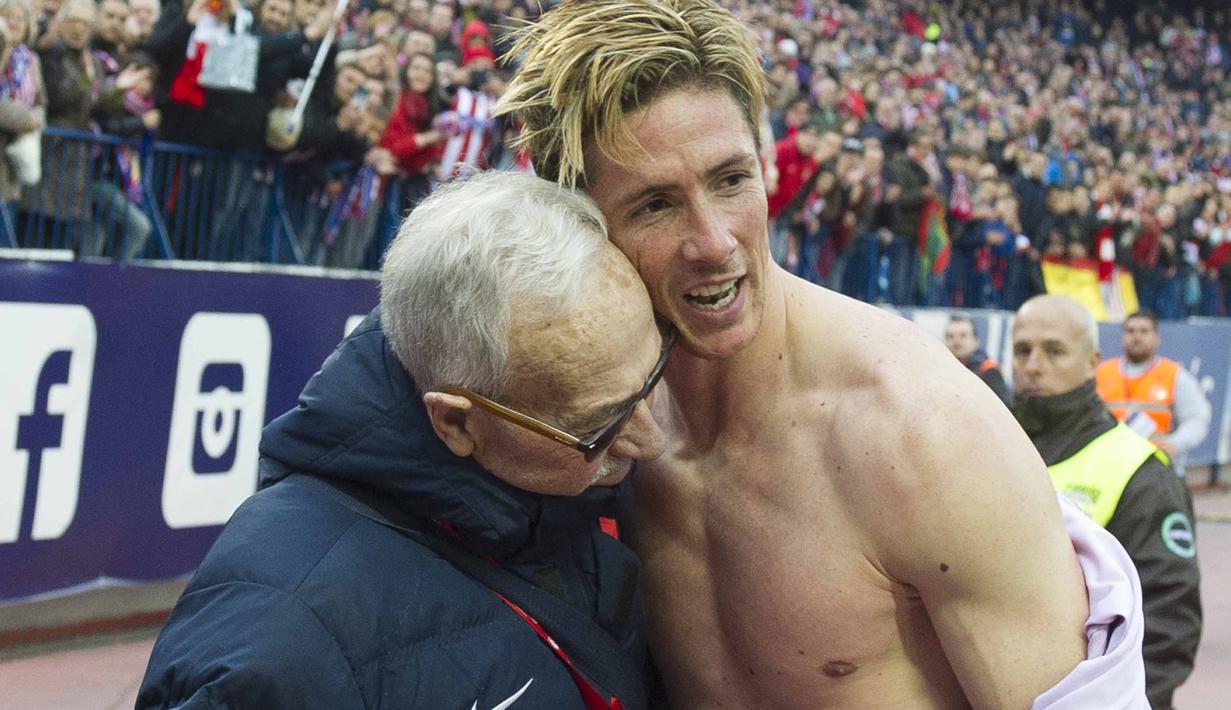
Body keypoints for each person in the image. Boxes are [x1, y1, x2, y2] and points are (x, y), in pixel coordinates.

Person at [497, 1, 1145, 707]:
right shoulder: (596, 429)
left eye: (730, 180)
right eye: (655, 204)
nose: (713, 241)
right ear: (582, 220)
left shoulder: (921, 434)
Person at [137, 171, 669, 708]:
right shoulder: (279, 654)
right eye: (599, 426)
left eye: (652, 377)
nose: (651, 441)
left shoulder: (572, 498)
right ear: (456, 423)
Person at [1011, 295, 1202, 710]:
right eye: (1022, 350)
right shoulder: (985, 447)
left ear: (1091, 360)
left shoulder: (1140, 470)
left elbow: (1169, 618)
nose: (1033, 365)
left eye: (1054, 350)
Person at [1096, 311, 1212, 477]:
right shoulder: (1102, 372)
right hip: (1110, 468)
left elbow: (1197, 418)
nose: (1136, 337)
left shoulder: (1174, 375)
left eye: (1144, 331)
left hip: (1156, 470)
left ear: (1157, 337)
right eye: (1130, 331)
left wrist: (1176, 442)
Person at [944, 314, 1011, 405]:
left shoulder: (988, 369)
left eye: (963, 336)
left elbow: (1004, 406)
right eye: (950, 336)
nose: (956, 341)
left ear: (976, 341)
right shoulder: (942, 371)